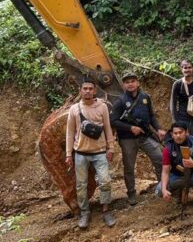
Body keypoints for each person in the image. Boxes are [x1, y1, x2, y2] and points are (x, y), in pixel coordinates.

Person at [65, 79, 116, 229]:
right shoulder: (74, 109)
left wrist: (111, 148)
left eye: (90, 89)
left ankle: (106, 210)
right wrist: (69, 154)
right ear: (80, 91)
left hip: (100, 152)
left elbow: (108, 128)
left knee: (105, 180)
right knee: (81, 185)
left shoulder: (103, 107)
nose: (87, 91)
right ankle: (85, 212)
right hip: (80, 153)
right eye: (84, 88)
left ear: (95, 91)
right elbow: (70, 133)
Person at [110, 71, 165, 206]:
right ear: (124, 85)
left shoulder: (145, 97)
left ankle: (162, 187)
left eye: (132, 81)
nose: (130, 84)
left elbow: (151, 116)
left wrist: (158, 129)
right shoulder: (120, 101)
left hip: (145, 136)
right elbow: (113, 121)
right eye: (127, 82)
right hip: (127, 139)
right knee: (129, 167)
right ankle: (132, 194)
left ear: (137, 83)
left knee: (159, 158)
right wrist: (130, 128)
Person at [158, 123, 193, 215]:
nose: (178, 136)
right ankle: (179, 193)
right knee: (159, 190)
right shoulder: (168, 148)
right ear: (172, 134)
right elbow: (165, 171)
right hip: (177, 177)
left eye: (180, 132)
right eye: (175, 133)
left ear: (186, 132)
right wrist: (164, 190)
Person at [169, 59, 193, 137]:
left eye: (189, 67)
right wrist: (175, 123)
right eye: (185, 68)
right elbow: (173, 104)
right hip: (181, 119)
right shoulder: (177, 84)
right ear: (181, 69)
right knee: (183, 143)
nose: (187, 70)